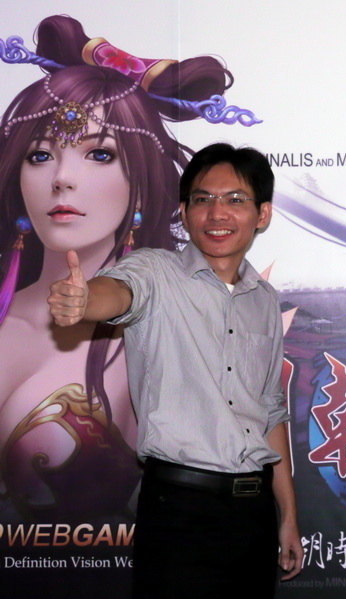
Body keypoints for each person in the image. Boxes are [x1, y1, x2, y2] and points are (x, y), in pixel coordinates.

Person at [0, 14, 256, 524]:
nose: (62, 178)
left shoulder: (174, 323)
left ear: (140, 180)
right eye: (40, 155)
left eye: (99, 154)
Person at [47, 143, 302, 598]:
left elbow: (271, 413)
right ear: (184, 212)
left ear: (262, 214)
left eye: (235, 199)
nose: (217, 213)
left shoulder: (264, 299)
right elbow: (118, 292)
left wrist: (288, 517)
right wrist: (84, 300)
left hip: (254, 513)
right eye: (203, 199)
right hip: (179, 512)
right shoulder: (155, 271)